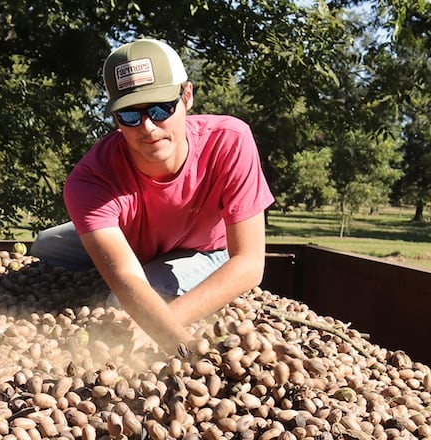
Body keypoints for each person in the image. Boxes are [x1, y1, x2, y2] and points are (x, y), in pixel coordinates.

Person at [31, 38, 274, 353]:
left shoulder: (229, 141)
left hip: (206, 250)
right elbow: (125, 274)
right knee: (46, 247)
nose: (147, 127)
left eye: (161, 109)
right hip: (130, 242)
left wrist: (171, 334)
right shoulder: (90, 179)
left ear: (187, 96)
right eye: (129, 115)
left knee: (120, 305)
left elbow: (250, 262)